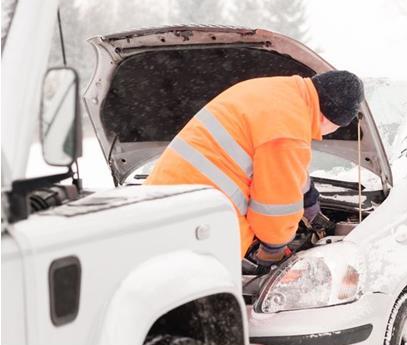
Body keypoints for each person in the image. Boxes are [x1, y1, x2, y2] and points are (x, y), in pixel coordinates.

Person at [145, 70, 364, 269]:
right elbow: (274, 206)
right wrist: (274, 250)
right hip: (200, 225)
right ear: (331, 118)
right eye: (336, 128)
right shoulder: (290, 129)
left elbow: (279, 164)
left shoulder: (275, 92)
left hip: (158, 202)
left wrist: (308, 198)